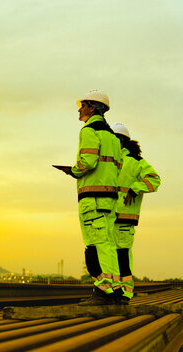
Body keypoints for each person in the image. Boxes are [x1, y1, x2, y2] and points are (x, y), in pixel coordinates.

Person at [61, 90, 123, 305]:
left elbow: (87, 162)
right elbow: (117, 167)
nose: (79, 109)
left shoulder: (89, 130)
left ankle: (103, 291)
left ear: (93, 108)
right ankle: (116, 291)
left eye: (82, 105)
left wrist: (73, 171)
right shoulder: (113, 138)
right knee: (108, 245)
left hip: (93, 199)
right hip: (109, 199)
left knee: (95, 246)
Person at [110, 123, 161, 304]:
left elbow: (154, 179)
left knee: (122, 257)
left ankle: (125, 293)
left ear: (121, 139)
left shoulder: (135, 162)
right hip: (107, 218)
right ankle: (112, 293)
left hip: (124, 220)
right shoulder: (108, 160)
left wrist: (135, 188)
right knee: (109, 258)